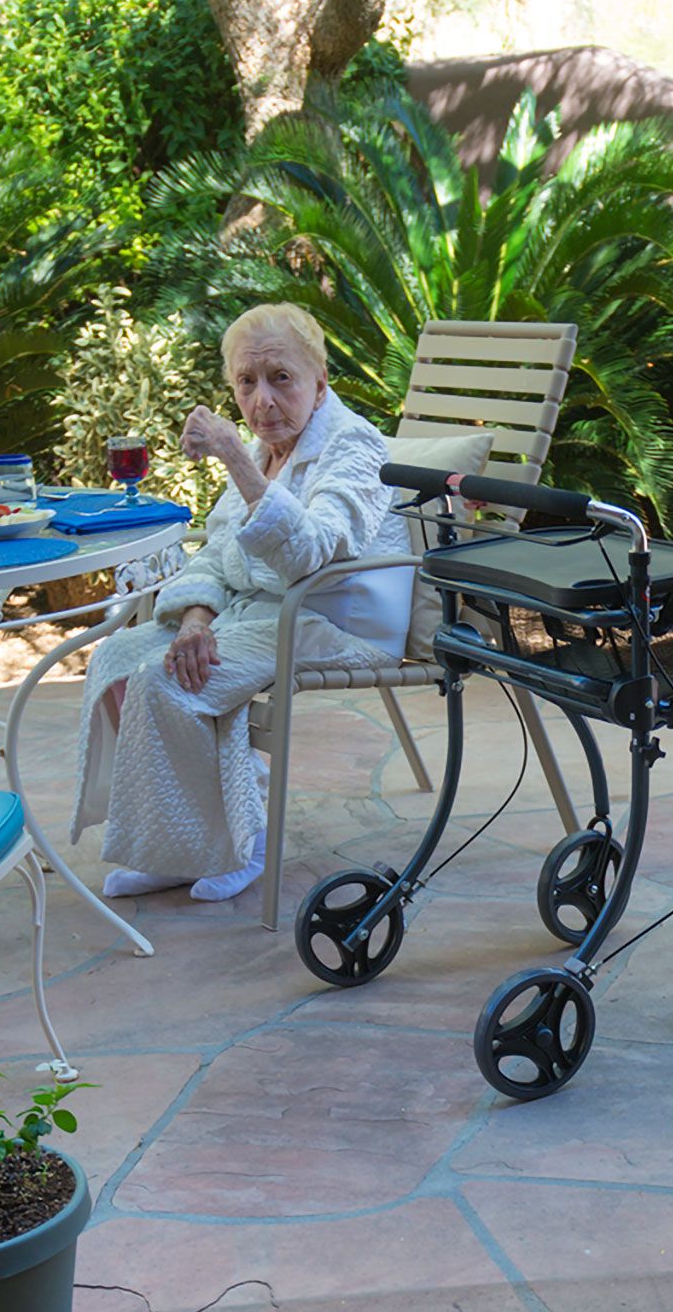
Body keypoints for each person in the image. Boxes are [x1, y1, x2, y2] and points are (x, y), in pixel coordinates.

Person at [70, 302, 415, 903]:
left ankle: (241, 842)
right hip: (261, 612)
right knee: (118, 660)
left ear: (319, 382)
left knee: (170, 682)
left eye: (281, 378)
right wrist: (196, 617)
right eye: (246, 383)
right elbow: (219, 554)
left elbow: (314, 554)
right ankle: (175, 846)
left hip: (331, 618)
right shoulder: (263, 454)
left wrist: (231, 456)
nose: (262, 401)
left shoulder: (354, 444)